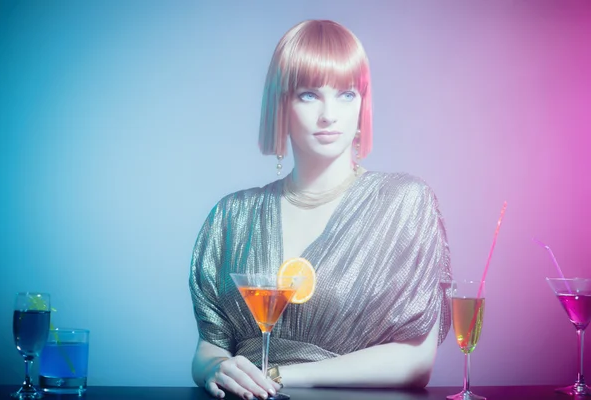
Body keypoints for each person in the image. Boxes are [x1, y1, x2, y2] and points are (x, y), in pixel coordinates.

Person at [189, 19, 452, 400]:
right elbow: (208, 348)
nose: (329, 114)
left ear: (363, 105)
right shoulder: (231, 216)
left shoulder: (405, 203)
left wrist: (277, 375)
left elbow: (416, 361)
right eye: (309, 94)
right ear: (281, 105)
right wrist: (216, 368)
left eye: (346, 94)